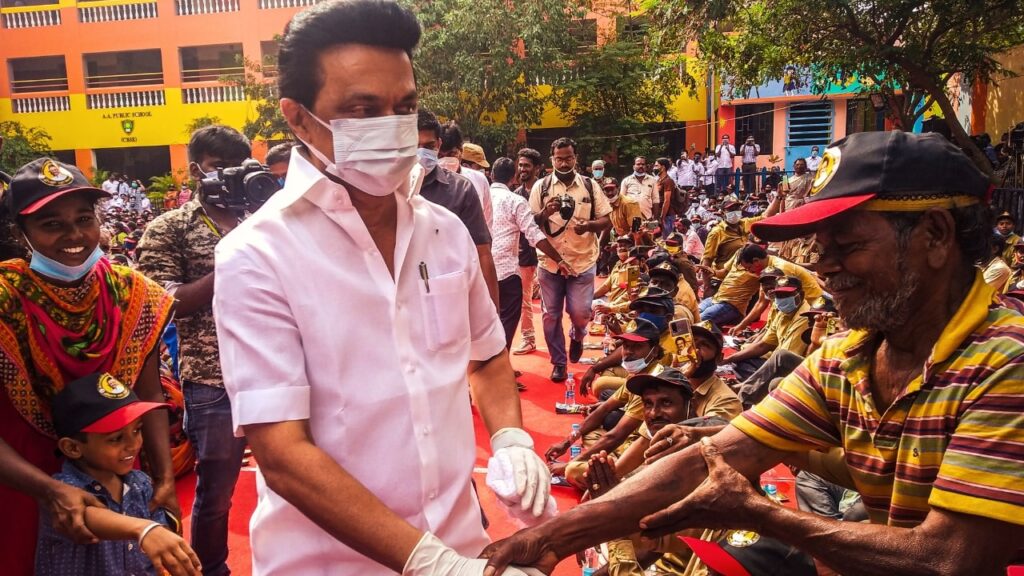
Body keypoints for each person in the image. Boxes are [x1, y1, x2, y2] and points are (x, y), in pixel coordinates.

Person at [481, 131, 1024, 576]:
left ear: (934, 234)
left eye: (848, 244)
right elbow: (704, 460)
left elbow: (952, 559)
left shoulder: (1006, 365)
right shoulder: (844, 358)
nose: (821, 265)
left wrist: (768, 516)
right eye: (819, 245)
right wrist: (550, 539)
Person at [214, 2, 551, 574]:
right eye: (362, 109)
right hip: (329, 564)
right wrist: (431, 564)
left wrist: (513, 440)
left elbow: (488, 357)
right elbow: (283, 454)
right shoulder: (257, 255)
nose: (393, 127)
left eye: (405, 107)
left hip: (462, 540)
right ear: (297, 118)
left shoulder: (443, 231)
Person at [0, 158, 177, 575]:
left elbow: (149, 394)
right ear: (19, 232)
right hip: (22, 479)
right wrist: (49, 489)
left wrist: (165, 479)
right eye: (52, 224)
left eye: (85, 218)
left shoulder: (134, 293)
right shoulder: (6, 299)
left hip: (118, 476)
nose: (75, 235)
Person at [136, 125, 252, 576]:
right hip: (210, 376)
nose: (229, 176)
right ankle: (211, 568)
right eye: (219, 166)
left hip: (275, 368)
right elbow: (162, 303)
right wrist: (232, 260)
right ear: (195, 169)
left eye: (237, 166)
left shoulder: (260, 218)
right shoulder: (168, 228)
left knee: (297, 473)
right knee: (218, 491)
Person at [36, 372, 201, 576]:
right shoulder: (64, 492)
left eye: (137, 430)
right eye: (116, 439)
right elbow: (85, 516)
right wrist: (145, 530)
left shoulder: (141, 484)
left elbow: (160, 542)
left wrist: (169, 546)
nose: (133, 445)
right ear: (72, 448)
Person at [530, 137, 612, 382]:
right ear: (551, 159)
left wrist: (589, 225)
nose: (564, 163)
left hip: (582, 260)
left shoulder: (589, 186)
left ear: (576, 158)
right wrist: (546, 212)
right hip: (550, 263)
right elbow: (530, 223)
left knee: (580, 313)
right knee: (550, 315)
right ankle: (558, 362)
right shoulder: (541, 187)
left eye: (568, 158)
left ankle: (578, 335)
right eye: (559, 158)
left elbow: (607, 220)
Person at [417, 109, 499, 306]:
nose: (421, 153)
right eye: (414, 146)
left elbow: (483, 252)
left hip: (451, 295)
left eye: (428, 146)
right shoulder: (388, 191)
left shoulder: (461, 189)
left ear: (438, 144)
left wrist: (493, 315)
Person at [487, 157, 563, 348]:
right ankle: (501, 367)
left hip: (482, 270)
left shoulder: (480, 197)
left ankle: (490, 369)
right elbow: (534, 235)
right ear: (513, 177)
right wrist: (559, 259)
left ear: (492, 175)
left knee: (486, 323)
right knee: (507, 321)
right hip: (506, 273)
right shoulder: (515, 200)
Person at [512, 148, 543, 355]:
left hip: (548, 253)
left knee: (551, 304)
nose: (522, 169)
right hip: (524, 254)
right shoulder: (515, 195)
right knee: (525, 300)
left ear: (537, 169)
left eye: (527, 166)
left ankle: (556, 340)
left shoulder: (546, 192)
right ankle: (528, 338)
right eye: (520, 165)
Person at [437, 120, 493, 228]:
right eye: (440, 155)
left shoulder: (479, 180)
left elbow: (488, 220)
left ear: (461, 151)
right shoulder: (427, 181)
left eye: (451, 154)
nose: (445, 159)